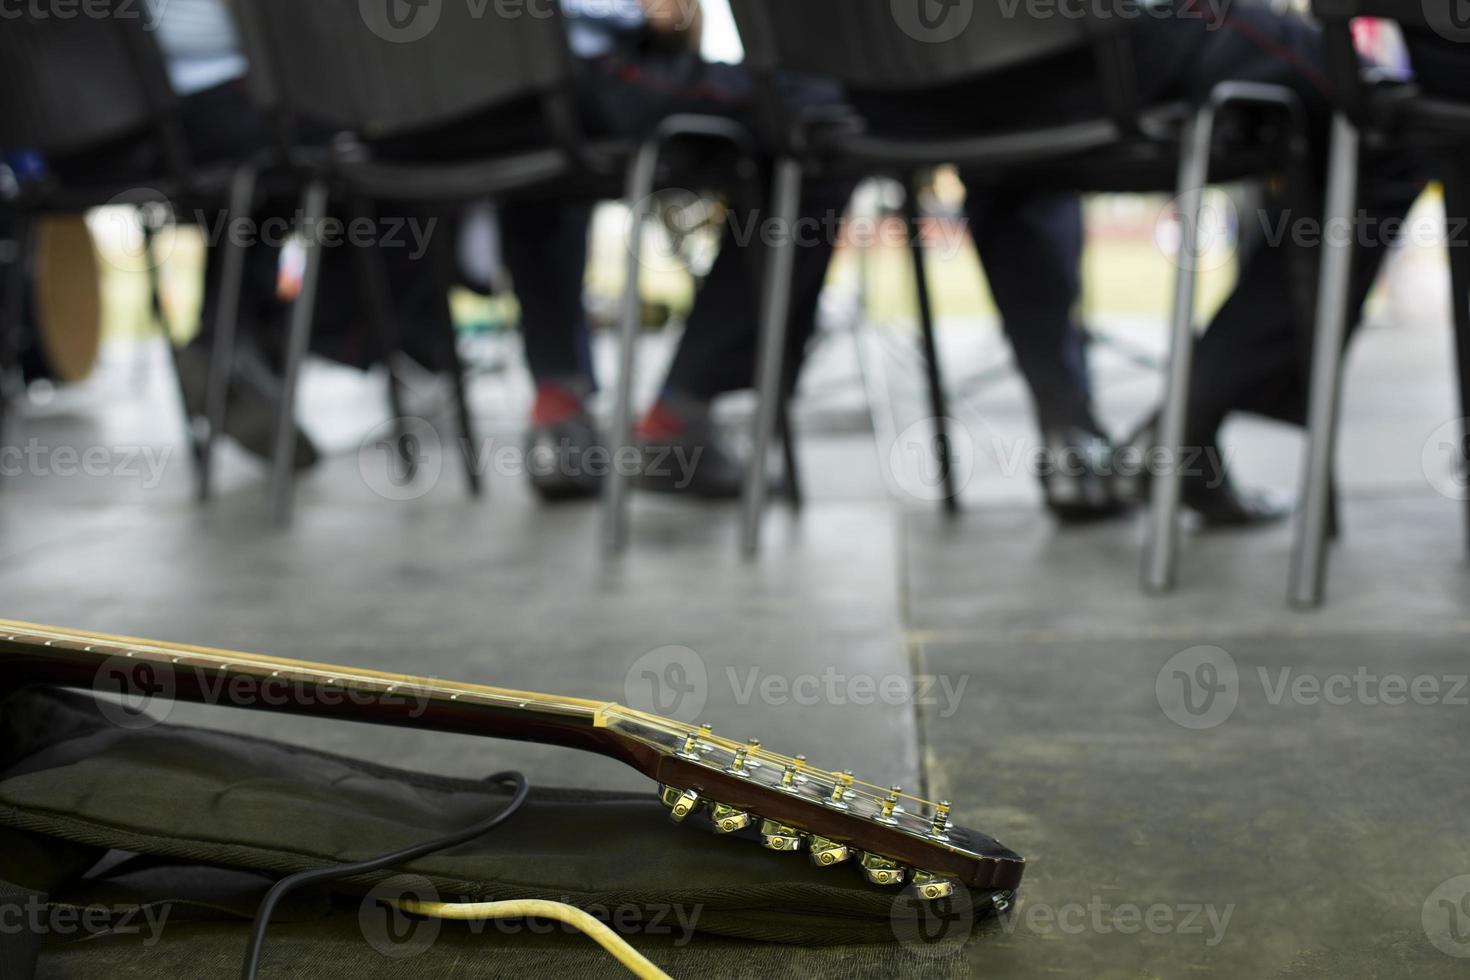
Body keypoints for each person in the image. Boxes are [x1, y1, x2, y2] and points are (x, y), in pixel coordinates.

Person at [507, 0, 1129, 520]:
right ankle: (685, 410)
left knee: (529, 149)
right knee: (818, 117)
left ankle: (559, 415)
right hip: (575, 77)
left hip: (441, 114)